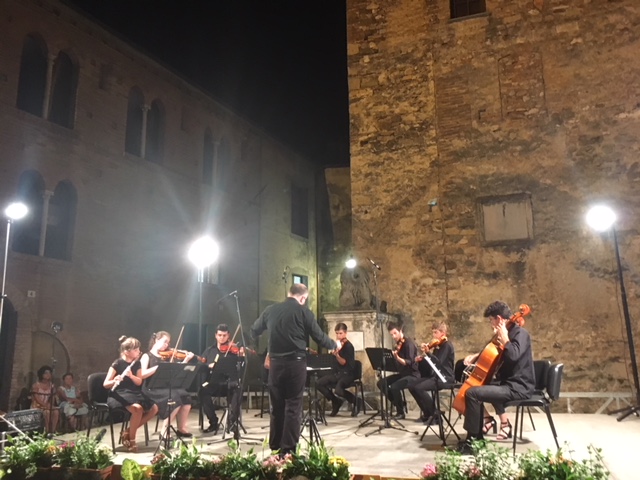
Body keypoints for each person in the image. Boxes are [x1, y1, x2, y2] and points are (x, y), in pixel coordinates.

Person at [250, 283, 340, 456]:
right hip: (295, 363)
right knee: (293, 406)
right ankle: (288, 450)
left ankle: (275, 447)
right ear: (303, 298)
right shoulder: (303, 312)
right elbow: (319, 337)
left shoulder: (270, 310)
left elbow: (254, 330)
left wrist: (265, 342)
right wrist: (334, 345)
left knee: (276, 406)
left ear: (289, 293)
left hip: (275, 365)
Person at [458, 300, 535, 454]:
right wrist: (476, 356)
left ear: (499, 319)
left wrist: (505, 339)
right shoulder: (506, 333)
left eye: (491, 320)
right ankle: (477, 436)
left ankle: (472, 442)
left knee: (472, 394)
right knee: (475, 388)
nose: (490, 324)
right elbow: (491, 351)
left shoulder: (521, 334)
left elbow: (513, 356)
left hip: (519, 387)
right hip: (507, 383)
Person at [103, 336, 158, 452]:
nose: (139, 351)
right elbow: (105, 384)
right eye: (136, 350)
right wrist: (115, 380)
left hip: (133, 392)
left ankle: (127, 431)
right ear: (126, 352)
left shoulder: (136, 364)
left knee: (154, 408)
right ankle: (132, 439)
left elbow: (139, 382)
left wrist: (131, 376)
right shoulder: (117, 363)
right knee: (138, 409)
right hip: (119, 393)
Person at [139, 331, 194, 439]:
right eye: (165, 341)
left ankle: (181, 428)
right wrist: (157, 368)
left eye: (168, 342)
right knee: (174, 398)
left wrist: (186, 360)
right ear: (156, 340)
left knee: (185, 396)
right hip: (150, 388)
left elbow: (176, 372)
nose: (167, 345)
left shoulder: (166, 357)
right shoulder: (146, 356)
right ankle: (164, 430)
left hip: (164, 387)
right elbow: (142, 374)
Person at [199, 324, 245, 434]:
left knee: (238, 389)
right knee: (202, 392)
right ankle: (213, 422)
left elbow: (242, 365)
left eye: (224, 335)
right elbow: (200, 365)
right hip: (214, 383)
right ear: (216, 335)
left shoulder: (233, 350)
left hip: (230, 382)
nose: (222, 338)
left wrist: (242, 355)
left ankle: (232, 422)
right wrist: (208, 366)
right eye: (219, 335)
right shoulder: (209, 350)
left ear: (228, 335)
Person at [407, 322, 455, 424]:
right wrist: (423, 358)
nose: (433, 335)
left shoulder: (447, 345)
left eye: (435, 332)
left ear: (443, 333)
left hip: (445, 378)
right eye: (433, 332)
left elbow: (439, 362)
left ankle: (436, 415)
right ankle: (427, 413)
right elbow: (433, 363)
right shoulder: (438, 346)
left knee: (419, 388)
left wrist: (428, 352)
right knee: (411, 385)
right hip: (436, 376)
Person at [316, 322, 362, 417]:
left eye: (340, 333)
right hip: (338, 373)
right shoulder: (337, 345)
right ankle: (336, 401)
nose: (338, 336)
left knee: (338, 390)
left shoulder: (348, 346)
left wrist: (337, 355)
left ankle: (356, 401)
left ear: (345, 333)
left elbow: (344, 362)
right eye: (337, 333)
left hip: (348, 373)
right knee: (319, 383)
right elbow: (331, 359)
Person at [376, 322, 420, 420]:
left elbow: (409, 362)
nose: (394, 336)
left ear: (400, 331)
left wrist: (397, 358)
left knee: (394, 386)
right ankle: (399, 404)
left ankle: (400, 412)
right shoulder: (398, 344)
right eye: (391, 334)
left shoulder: (409, 344)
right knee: (381, 383)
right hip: (402, 374)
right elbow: (398, 365)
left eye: (395, 333)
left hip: (412, 374)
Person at [31, 365, 60, 433]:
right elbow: (37, 399)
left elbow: (52, 398)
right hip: (37, 406)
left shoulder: (51, 386)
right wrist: (46, 406)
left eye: (49, 373)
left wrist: (50, 405)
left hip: (47, 405)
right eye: (46, 373)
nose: (48, 375)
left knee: (56, 412)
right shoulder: (36, 385)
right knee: (47, 412)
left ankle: (52, 431)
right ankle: (46, 431)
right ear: (41, 374)